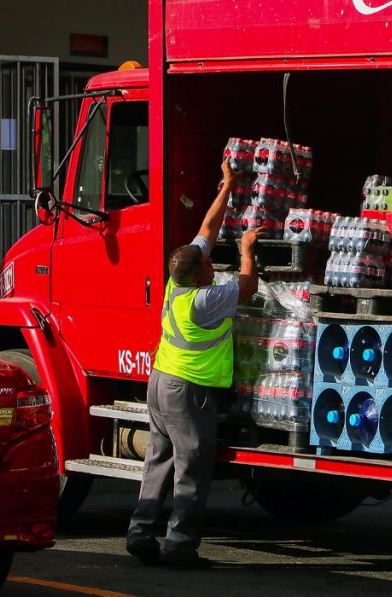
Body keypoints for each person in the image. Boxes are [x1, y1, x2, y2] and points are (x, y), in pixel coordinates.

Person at [126, 159, 263, 569]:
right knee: (191, 466)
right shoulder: (204, 302)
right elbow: (249, 285)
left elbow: (206, 229)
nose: (211, 263)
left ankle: (140, 532)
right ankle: (180, 547)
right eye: (209, 264)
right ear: (201, 273)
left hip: (160, 382)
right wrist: (246, 252)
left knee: (159, 459)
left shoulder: (176, 281)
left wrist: (227, 185)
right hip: (189, 391)